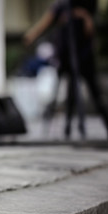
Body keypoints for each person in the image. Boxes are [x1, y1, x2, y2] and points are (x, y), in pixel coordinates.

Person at [24, 0, 108, 139]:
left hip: (84, 54)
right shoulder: (62, 6)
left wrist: (83, 17)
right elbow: (47, 19)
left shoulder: (88, 5)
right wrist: (31, 36)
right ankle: (67, 129)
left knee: (96, 93)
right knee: (70, 92)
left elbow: (90, 27)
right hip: (66, 54)